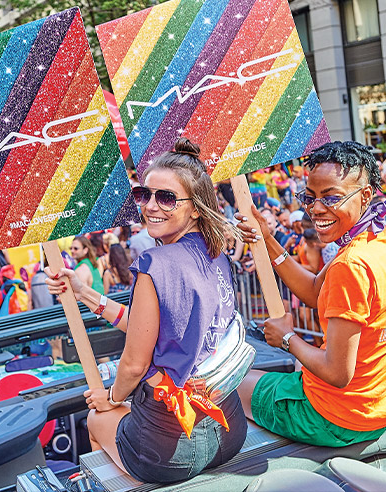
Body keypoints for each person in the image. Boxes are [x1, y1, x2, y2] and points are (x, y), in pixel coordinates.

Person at [45, 138, 247, 483]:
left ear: (195, 207)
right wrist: (83, 292)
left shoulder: (155, 262)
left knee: (95, 418)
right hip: (230, 434)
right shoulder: (216, 253)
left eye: (166, 198)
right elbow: (148, 329)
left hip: (168, 451)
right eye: (144, 194)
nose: (151, 206)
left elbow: (135, 363)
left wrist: (110, 398)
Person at [236, 140, 386, 447]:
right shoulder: (379, 236)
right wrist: (267, 240)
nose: (316, 209)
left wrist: (287, 339)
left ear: (365, 195)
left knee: (230, 386)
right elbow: (316, 291)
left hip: (335, 418)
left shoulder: (351, 264)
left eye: (331, 198)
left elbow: (337, 372)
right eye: (309, 197)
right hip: (378, 407)